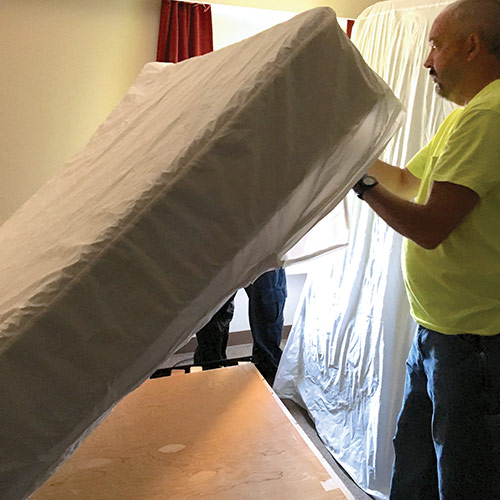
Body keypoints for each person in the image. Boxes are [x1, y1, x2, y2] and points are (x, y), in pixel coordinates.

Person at [352, 1, 500, 498]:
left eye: (435, 44)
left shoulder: (490, 116)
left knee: (464, 476)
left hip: (472, 343)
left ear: (473, 45)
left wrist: (360, 184)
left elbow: (431, 225)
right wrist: (342, 154)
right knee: (416, 464)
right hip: (441, 332)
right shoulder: (466, 118)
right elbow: (405, 180)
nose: (426, 60)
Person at [194, 268, 287, 385]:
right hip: (219, 254)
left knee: (268, 313)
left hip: (263, 254)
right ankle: (209, 376)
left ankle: (267, 379)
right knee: (213, 315)